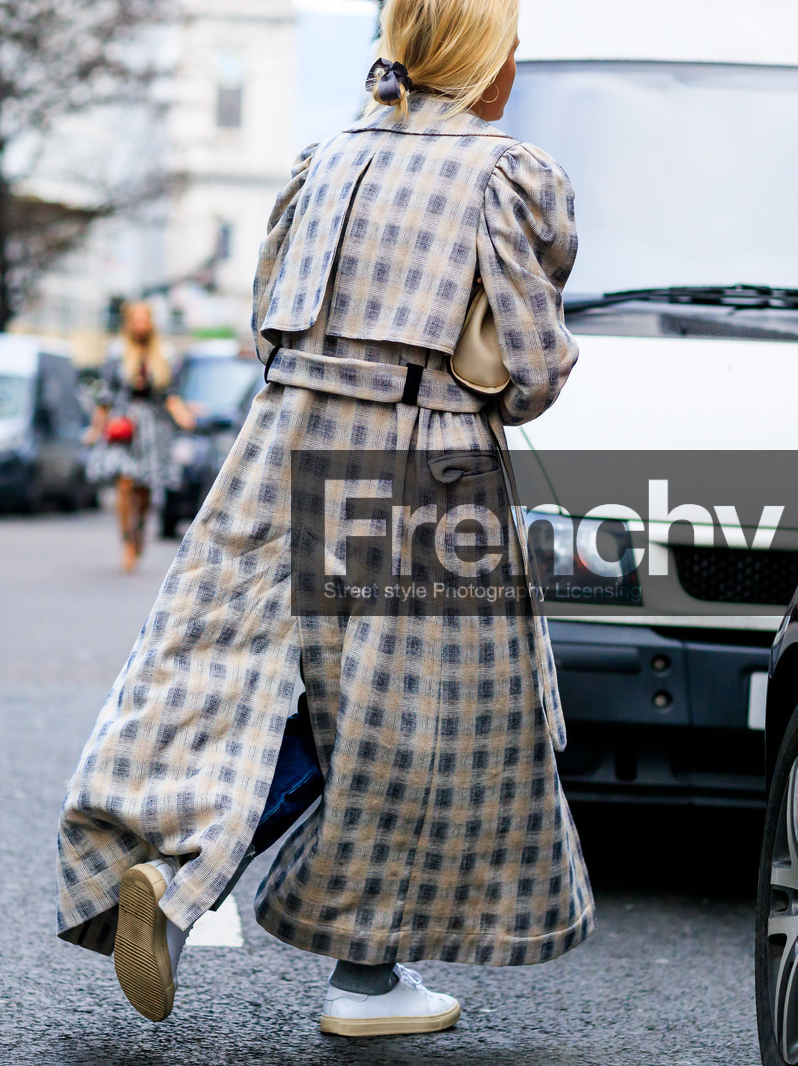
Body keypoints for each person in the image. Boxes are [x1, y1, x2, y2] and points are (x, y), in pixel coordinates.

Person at [55, 0, 591, 1036]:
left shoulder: (322, 161)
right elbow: (530, 373)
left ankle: (172, 882)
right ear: (486, 58)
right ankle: (364, 976)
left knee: (240, 675)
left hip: (281, 443)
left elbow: (266, 316)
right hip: (420, 462)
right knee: (409, 719)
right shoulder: (509, 173)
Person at [85, 303, 194, 572]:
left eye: (145, 318)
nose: (141, 324)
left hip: (154, 428)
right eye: (136, 319)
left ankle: (140, 528)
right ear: (129, 322)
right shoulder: (117, 353)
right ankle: (127, 540)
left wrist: (182, 415)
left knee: (145, 487)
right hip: (123, 425)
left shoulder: (165, 355)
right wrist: (95, 428)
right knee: (124, 482)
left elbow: (171, 394)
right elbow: (105, 396)